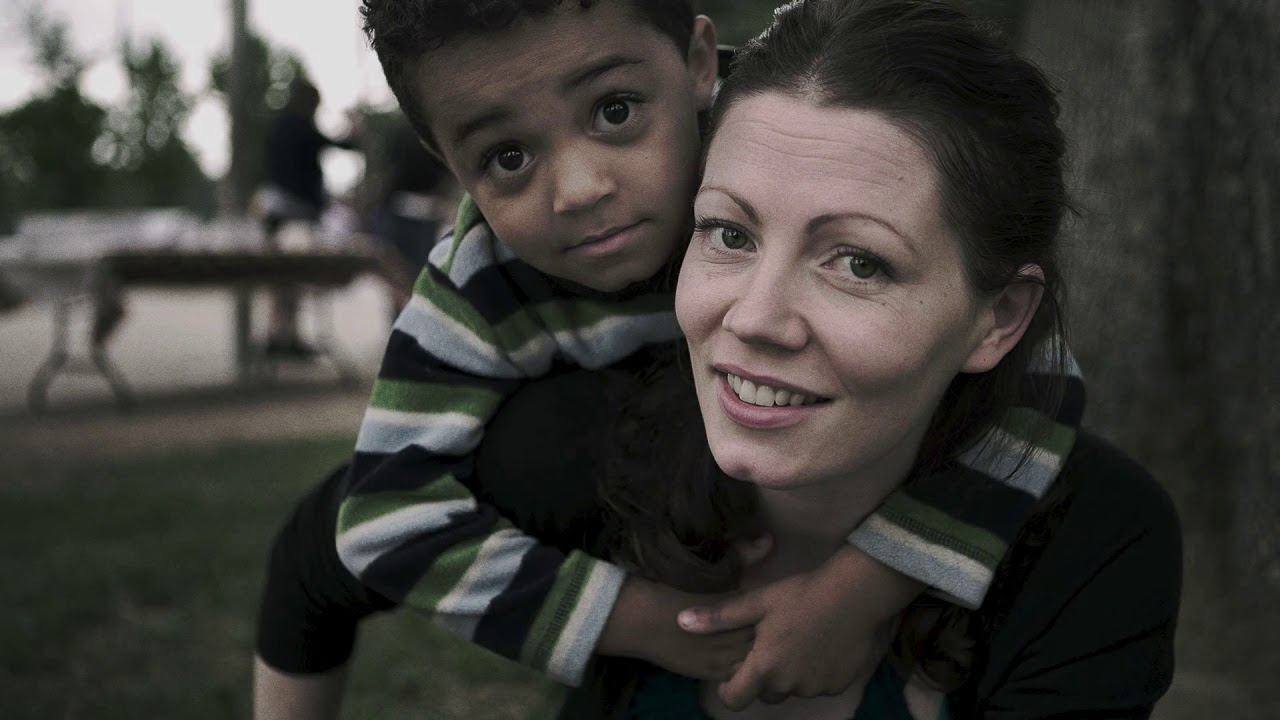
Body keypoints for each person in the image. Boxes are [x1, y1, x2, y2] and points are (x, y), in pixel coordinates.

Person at [252, 1, 1084, 717]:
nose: (578, 187)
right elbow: (377, 516)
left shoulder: (789, 144)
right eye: (506, 158)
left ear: (696, 62)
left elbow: (1039, 374)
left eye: (615, 110)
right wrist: (641, 619)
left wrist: (866, 587)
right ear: (448, 163)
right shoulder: (484, 286)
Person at [468, 0, 1180, 717]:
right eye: (729, 233)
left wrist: (880, 577)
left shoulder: (1097, 539)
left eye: (860, 264)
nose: (755, 318)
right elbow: (356, 541)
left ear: (998, 319)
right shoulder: (586, 454)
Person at [260, 78, 363, 358]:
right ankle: (281, 338)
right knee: (292, 278)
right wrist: (354, 126)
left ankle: (282, 337)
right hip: (294, 217)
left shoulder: (281, 127)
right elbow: (343, 145)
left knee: (284, 281)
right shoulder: (300, 128)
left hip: (280, 215)